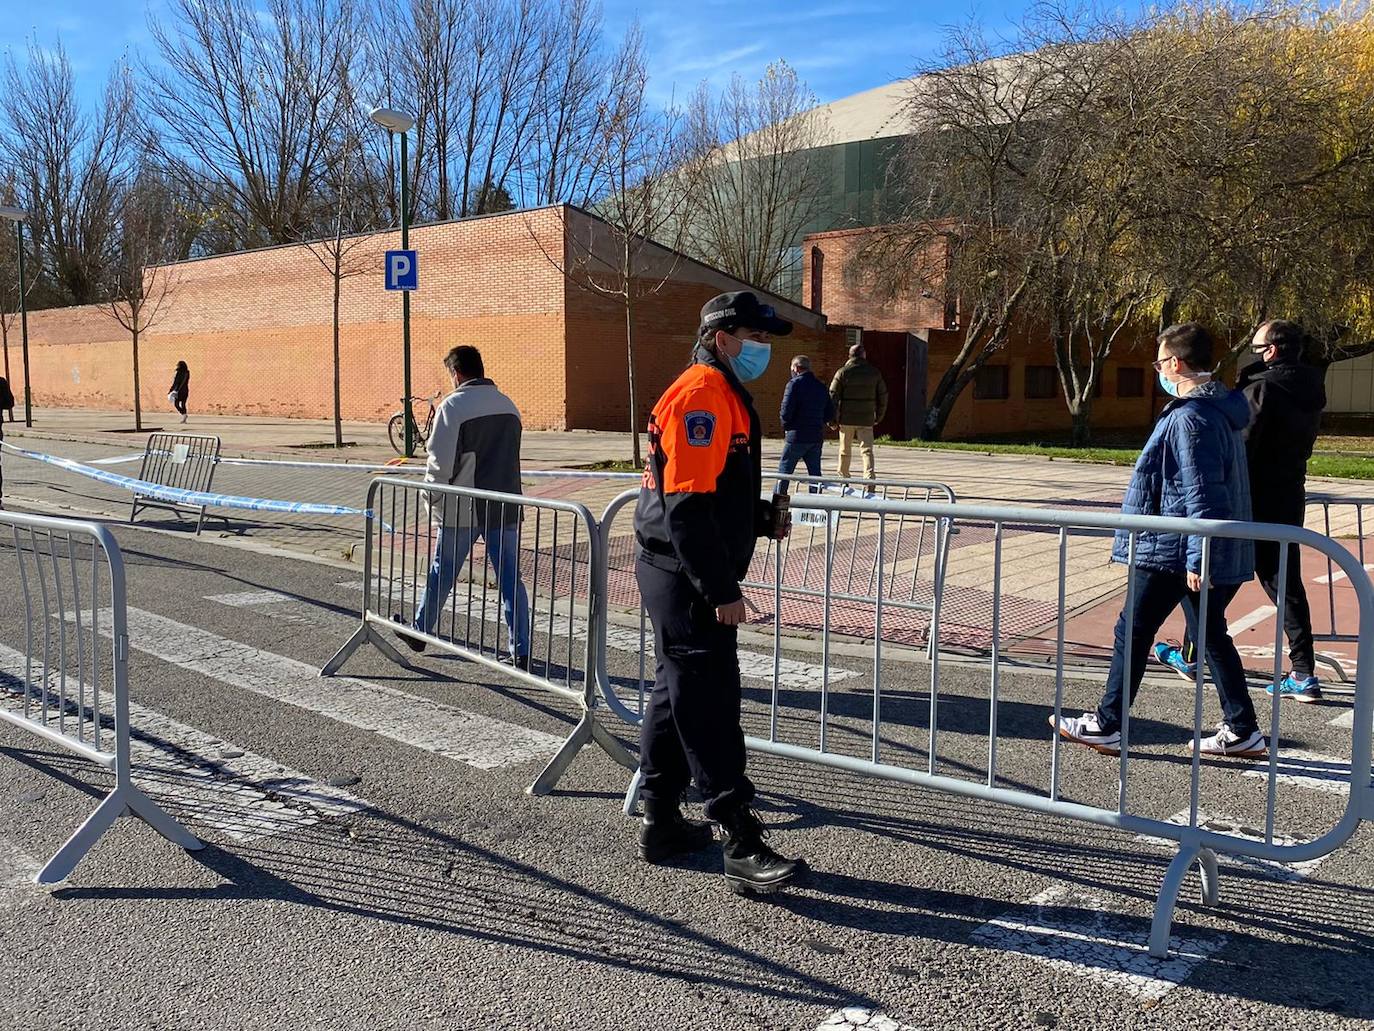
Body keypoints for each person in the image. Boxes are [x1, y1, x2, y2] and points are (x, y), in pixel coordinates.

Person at [633, 290, 802, 895]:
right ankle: (738, 837)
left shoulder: (720, 389)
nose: (764, 349)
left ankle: (660, 820)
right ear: (722, 337)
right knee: (708, 699)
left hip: (678, 565)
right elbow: (684, 507)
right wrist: (721, 588)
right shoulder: (703, 393)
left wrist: (757, 518)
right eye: (756, 338)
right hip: (685, 573)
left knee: (672, 689)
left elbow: (708, 493)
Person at [1052, 323, 1267, 758]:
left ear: (1176, 363)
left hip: (1173, 546)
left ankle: (1108, 723)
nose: (1159, 370)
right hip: (1187, 545)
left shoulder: (1191, 418)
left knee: (1131, 631)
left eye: (1160, 361)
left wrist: (1198, 554)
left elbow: (1202, 491)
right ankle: (1242, 729)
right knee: (1209, 633)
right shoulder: (1217, 411)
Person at [1155, 320, 1327, 703]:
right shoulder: (1311, 387)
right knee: (1284, 581)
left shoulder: (1262, 388)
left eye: (1256, 346)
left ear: (1273, 350)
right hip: (1287, 494)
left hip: (1249, 497)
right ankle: (1303, 672)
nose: (1251, 352)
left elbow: (1241, 444)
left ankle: (1193, 656)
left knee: (1211, 576)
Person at [393, 345, 531, 669]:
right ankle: (521, 650)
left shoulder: (453, 407)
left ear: (456, 373)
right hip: (505, 504)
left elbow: (439, 465)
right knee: (511, 578)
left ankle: (421, 630)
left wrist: (432, 500)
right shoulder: (508, 405)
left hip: (464, 506)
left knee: (443, 571)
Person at [776, 354, 835, 494]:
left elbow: (786, 410)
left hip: (796, 436)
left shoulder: (793, 384)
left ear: (796, 368)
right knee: (815, 474)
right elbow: (829, 413)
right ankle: (814, 505)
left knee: (784, 472)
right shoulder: (820, 386)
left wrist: (786, 427)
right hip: (815, 436)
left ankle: (778, 504)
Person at [829, 343, 887, 482]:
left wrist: (832, 419)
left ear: (850, 355)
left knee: (844, 450)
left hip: (846, 418)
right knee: (866, 450)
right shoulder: (874, 373)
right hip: (866, 419)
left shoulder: (842, 372)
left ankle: (843, 478)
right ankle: (869, 478)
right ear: (864, 355)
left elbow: (833, 396)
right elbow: (883, 395)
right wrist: (879, 416)